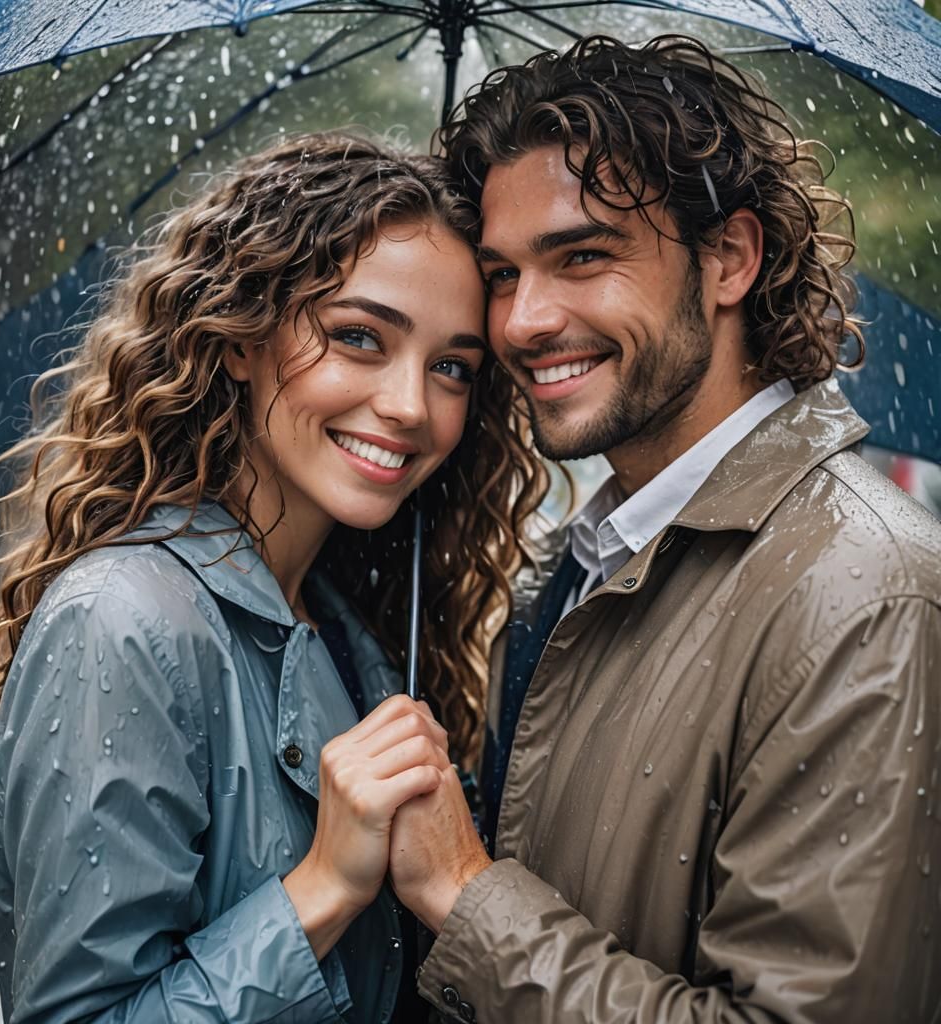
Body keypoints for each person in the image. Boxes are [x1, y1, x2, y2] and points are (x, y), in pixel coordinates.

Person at [387, 35, 941, 1022]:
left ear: (728, 257)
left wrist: (466, 899)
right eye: (503, 273)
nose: (520, 322)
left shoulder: (865, 592)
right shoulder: (574, 565)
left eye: (582, 256)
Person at [0, 134, 545, 1023]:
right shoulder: (122, 623)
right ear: (239, 340)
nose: (413, 405)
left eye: (452, 366)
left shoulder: (353, 630)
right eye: (359, 337)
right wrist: (324, 887)